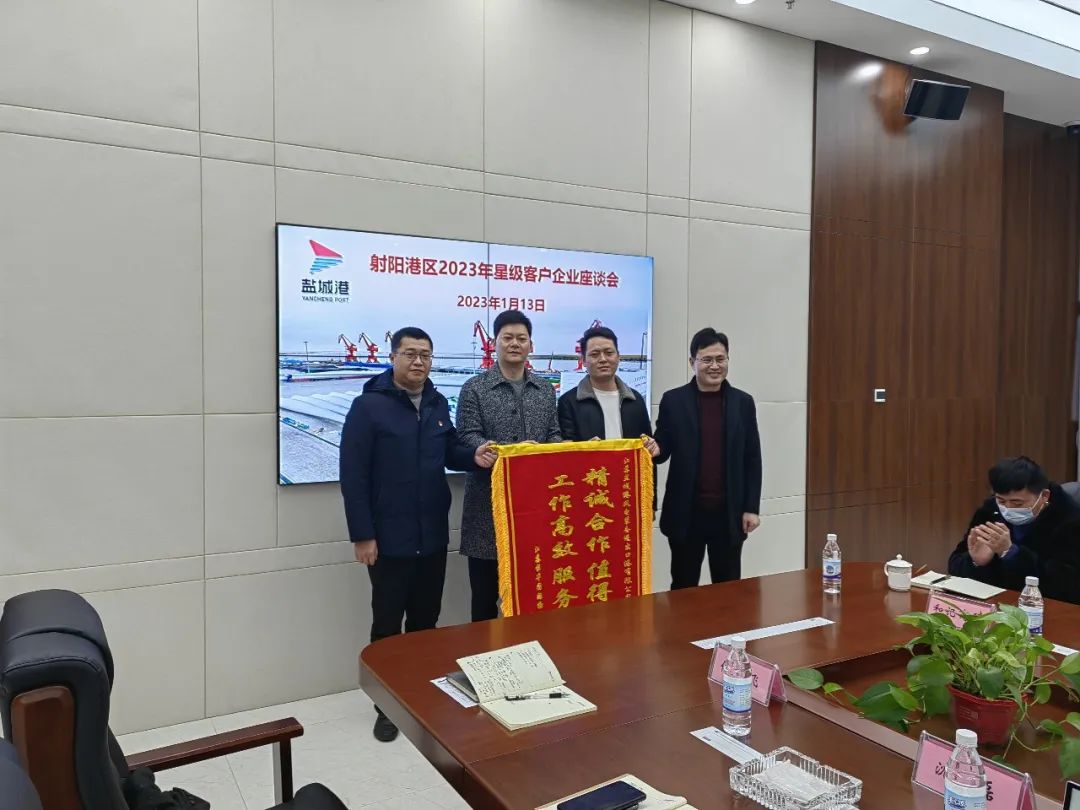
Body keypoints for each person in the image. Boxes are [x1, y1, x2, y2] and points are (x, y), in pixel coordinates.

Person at [340, 326, 497, 742]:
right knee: (387, 625)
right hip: (388, 537)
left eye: (425, 355)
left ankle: (418, 697)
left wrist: (474, 455)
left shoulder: (436, 403)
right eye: (410, 353)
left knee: (426, 622)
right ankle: (386, 706)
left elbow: (450, 452)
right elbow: (353, 476)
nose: (418, 362)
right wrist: (363, 535)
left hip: (431, 535)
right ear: (393, 357)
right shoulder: (368, 407)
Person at [456, 310, 561, 621]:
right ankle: (486, 653)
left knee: (532, 596)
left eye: (521, 338)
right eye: (508, 338)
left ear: (531, 345)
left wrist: (554, 449)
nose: (515, 344)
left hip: (536, 509)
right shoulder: (474, 388)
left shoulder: (545, 390)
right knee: (484, 600)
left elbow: (554, 434)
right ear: (495, 343)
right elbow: (467, 434)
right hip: (487, 509)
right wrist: (509, 453)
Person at [654, 328, 762, 589]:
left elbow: (752, 458)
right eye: (707, 360)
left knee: (728, 589)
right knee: (683, 587)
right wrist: (654, 448)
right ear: (692, 362)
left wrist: (751, 507)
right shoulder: (673, 400)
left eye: (720, 359)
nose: (714, 366)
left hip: (729, 515)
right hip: (686, 514)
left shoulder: (743, 402)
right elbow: (663, 447)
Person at [948, 456, 1080, 603]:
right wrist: (975, 563)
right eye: (1001, 500)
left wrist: (1012, 554)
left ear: (1044, 496)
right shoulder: (990, 511)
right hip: (996, 602)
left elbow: (1066, 586)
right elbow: (954, 565)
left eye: (1017, 503)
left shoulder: (1070, 520)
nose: (1008, 509)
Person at [557, 324, 659, 458]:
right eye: (595, 354)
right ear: (583, 360)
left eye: (609, 353)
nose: (603, 359)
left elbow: (647, 450)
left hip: (627, 470)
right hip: (591, 470)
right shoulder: (568, 402)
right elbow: (563, 453)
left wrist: (652, 447)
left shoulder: (635, 399)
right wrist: (583, 451)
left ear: (618, 357)